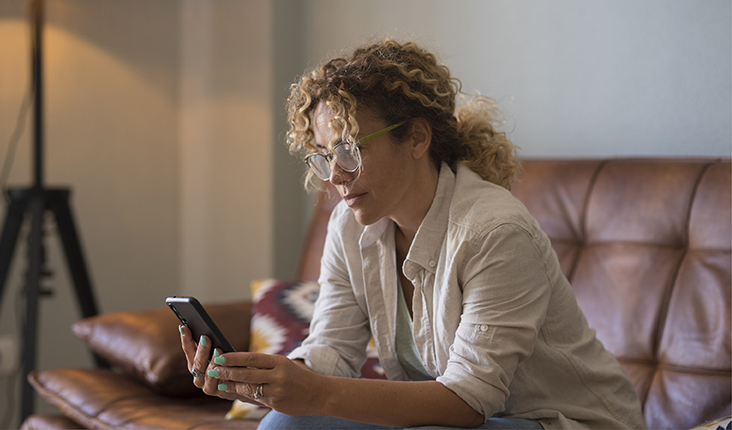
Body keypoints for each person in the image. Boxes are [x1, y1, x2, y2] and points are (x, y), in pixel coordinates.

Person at [179, 39, 646, 429]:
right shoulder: (349, 225)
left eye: (350, 150)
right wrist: (259, 379)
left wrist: (315, 394)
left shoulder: (496, 232)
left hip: (557, 423)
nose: (335, 176)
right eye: (324, 155)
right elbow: (331, 353)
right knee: (286, 421)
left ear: (417, 139)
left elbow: (468, 400)